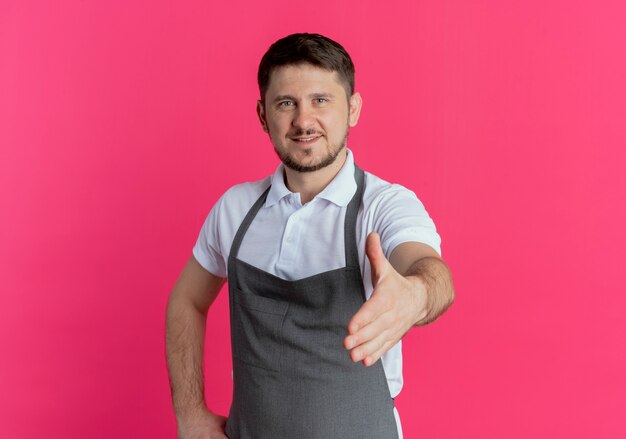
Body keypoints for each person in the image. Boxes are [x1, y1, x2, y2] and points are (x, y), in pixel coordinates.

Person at [166, 33, 455, 439]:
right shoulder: (234, 209)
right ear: (263, 115)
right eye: (286, 103)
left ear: (352, 109)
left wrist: (417, 295)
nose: (303, 121)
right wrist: (190, 415)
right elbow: (187, 300)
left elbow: (431, 270)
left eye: (321, 100)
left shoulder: (383, 205)